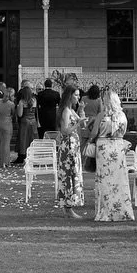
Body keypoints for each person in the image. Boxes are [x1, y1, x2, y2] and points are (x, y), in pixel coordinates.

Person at [91, 89, 134, 221]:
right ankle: (122, 210)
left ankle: (105, 211)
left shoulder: (102, 116)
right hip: (118, 147)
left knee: (104, 180)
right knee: (120, 180)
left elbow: (94, 133)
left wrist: (90, 140)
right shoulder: (122, 116)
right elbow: (124, 131)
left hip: (104, 148)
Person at [55, 83, 85, 218]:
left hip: (73, 146)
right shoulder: (66, 111)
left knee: (73, 174)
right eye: (76, 95)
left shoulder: (71, 110)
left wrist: (82, 111)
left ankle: (69, 206)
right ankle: (68, 207)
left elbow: (82, 123)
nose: (78, 98)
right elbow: (65, 130)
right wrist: (77, 124)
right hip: (68, 146)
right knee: (68, 176)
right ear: (69, 96)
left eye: (79, 95)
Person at [16, 85, 39, 161]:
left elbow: (20, 114)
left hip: (25, 121)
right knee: (32, 137)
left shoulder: (22, 101)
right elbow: (35, 112)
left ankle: (23, 154)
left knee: (24, 138)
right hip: (33, 121)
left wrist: (17, 108)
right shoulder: (34, 100)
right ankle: (33, 155)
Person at [0, 86, 16, 167]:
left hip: (0, 122)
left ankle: (2, 161)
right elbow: (13, 114)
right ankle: (6, 162)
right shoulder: (11, 104)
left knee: (2, 143)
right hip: (7, 123)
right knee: (7, 143)